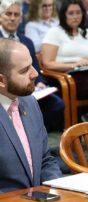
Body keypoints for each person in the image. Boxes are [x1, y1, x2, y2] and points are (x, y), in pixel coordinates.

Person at [0, 38, 62, 193]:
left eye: (32, 65)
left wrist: (57, 190)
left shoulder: (30, 103)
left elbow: (45, 160)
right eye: (24, 70)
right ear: (1, 80)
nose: (35, 73)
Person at [0, 1, 64, 131]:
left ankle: (37, 138)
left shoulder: (26, 41)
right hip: (6, 89)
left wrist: (40, 82)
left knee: (57, 104)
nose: (12, 18)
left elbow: (35, 67)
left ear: (21, 18)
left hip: (30, 89)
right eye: (8, 14)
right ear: (0, 16)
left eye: (16, 15)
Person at [41, 0, 88, 121]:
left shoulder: (87, 33)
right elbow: (47, 63)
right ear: (64, 15)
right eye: (71, 13)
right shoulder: (55, 33)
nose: (75, 17)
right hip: (65, 77)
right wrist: (73, 65)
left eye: (78, 13)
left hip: (87, 73)